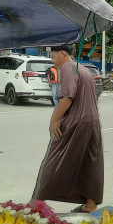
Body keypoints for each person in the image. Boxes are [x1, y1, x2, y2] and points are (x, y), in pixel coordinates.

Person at [32, 44, 104, 213]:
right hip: (92, 121)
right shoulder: (83, 69)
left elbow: (68, 96)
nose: (53, 60)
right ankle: (91, 204)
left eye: (54, 56)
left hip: (76, 121)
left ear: (63, 53)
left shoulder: (68, 67)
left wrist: (55, 119)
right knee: (90, 162)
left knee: (54, 160)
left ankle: (37, 203)